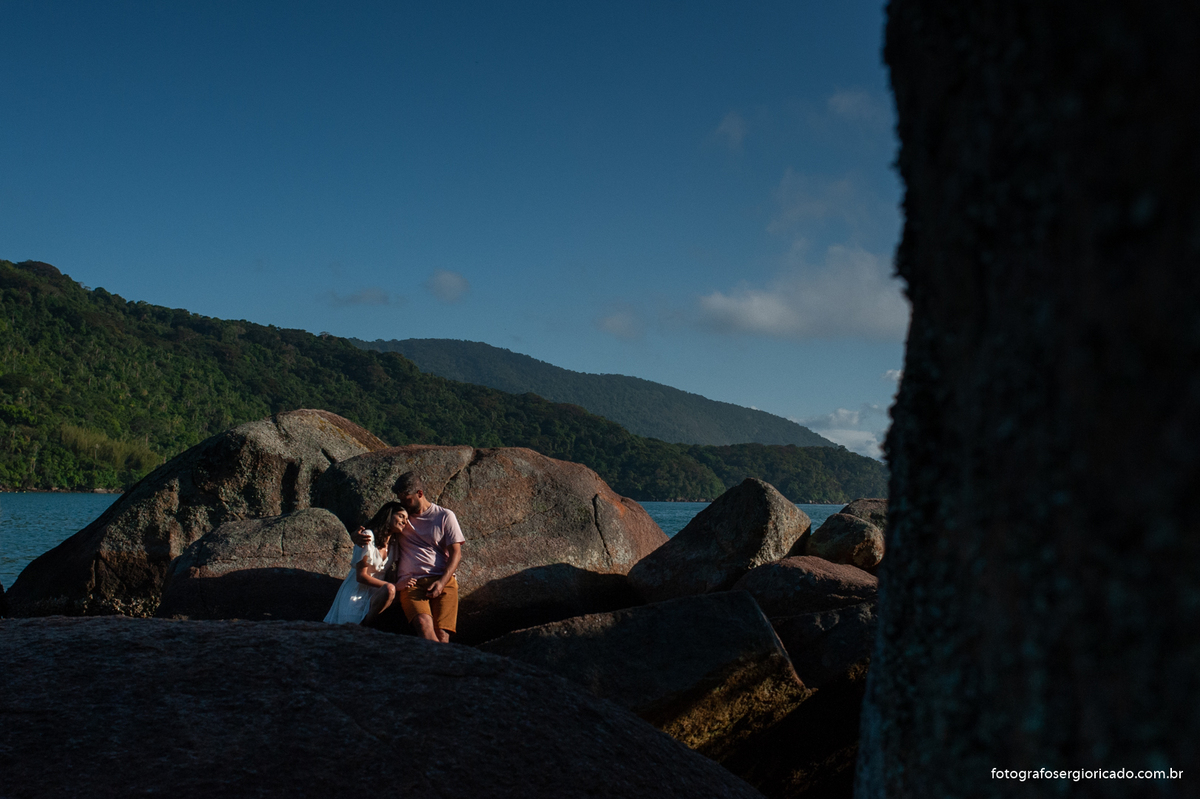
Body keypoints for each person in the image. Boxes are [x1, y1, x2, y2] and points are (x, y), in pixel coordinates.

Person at [353, 471, 464, 642]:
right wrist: (356, 535)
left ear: (420, 494)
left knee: (442, 634)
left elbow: (456, 553)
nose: (403, 503)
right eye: (401, 499)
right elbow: (376, 527)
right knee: (422, 624)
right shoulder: (401, 518)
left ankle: (439, 667)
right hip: (411, 582)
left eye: (407, 499)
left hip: (444, 580)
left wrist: (442, 582)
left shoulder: (445, 516)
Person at [324, 502, 413, 625]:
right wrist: (396, 585)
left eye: (407, 519)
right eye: (401, 516)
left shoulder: (394, 543)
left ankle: (368, 625)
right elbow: (361, 576)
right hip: (356, 593)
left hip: (377, 594)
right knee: (391, 588)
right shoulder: (367, 536)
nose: (405, 521)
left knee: (395, 592)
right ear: (389, 515)